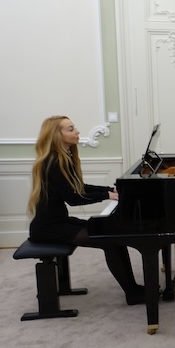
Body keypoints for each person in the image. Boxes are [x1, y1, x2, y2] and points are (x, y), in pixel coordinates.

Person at [27, 116, 145, 305]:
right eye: (70, 129)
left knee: (112, 236)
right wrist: (107, 195)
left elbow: (79, 187)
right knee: (109, 240)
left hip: (59, 222)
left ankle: (133, 290)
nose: (77, 131)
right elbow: (74, 199)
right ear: (57, 135)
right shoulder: (52, 163)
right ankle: (132, 292)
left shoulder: (63, 158)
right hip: (48, 229)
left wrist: (109, 190)